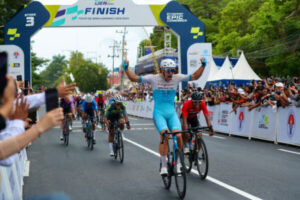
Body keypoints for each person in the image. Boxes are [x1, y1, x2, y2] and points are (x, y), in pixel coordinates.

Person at [123, 57, 206, 176]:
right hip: (159, 113)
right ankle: (163, 165)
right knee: (165, 136)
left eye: (173, 70)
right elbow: (134, 78)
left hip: (171, 113)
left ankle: (177, 163)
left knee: (178, 135)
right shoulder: (153, 78)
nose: (171, 73)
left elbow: (195, 76)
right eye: (168, 70)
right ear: (162, 70)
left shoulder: (176, 77)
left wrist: (203, 65)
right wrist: (126, 68)